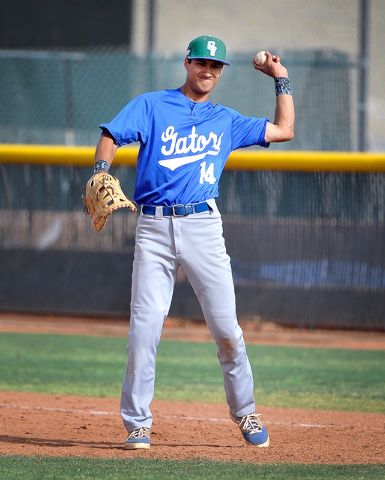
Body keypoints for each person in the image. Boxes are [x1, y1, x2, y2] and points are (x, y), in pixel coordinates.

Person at [92, 34, 294, 450]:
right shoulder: (152, 105)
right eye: (201, 62)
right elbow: (112, 134)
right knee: (144, 331)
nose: (208, 70)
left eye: (216, 66)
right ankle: (138, 424)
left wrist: (281, 78)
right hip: (153, 228)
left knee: (226, 331)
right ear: (187, 63)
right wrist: (99, 169)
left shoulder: (226, 119)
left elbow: (285, 130)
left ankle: (246, 412)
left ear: (221, 73)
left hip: (203, 225)